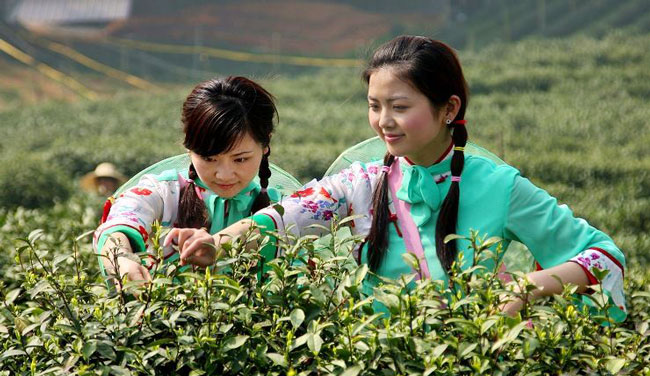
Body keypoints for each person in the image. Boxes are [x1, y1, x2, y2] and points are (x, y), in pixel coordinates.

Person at [165, 36, 626, 320]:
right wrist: (220, 243)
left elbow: (603, 255)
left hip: (474, 362)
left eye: (400, 107)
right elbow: (289, 215)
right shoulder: (363, 181)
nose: (384, 121)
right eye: (374, 105)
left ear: (449, 109)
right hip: (380, 369)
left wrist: (526, 288)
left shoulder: (500, 186)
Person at [94, 76, 282, 285]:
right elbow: (120, 224)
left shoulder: (279, 210)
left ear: (265, 146)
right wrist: (122, 260)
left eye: (240, 159)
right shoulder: (163, 193)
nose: (224, 174)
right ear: (189, 148)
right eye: (209, 159)